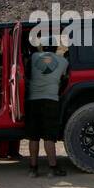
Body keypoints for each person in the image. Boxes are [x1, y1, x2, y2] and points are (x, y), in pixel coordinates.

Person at [26, 36, 68, 177]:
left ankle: (33, 169)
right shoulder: (63, 61)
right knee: (49, 137)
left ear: (42, 47)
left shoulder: (33, 58)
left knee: (34, 137)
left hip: (33, 100)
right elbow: (64, 77)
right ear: (56, 48)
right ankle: (53, 168)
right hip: (51, 100)